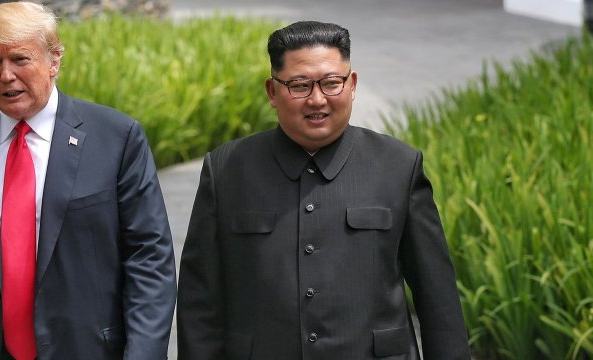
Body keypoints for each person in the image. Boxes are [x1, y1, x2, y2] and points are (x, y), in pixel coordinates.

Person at [176, 21, 470, 359]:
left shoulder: (398, 166)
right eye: (299, 85)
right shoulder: (227, 170)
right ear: (272, 92)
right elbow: (199, 301)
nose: (317, 100)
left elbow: (438, 299)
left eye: (332, 83)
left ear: (353, 84)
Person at [0, 2, 177, 359]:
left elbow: (149, 260)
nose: (6, 75)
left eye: (20, 59)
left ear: (54, 60)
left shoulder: (116, 138)